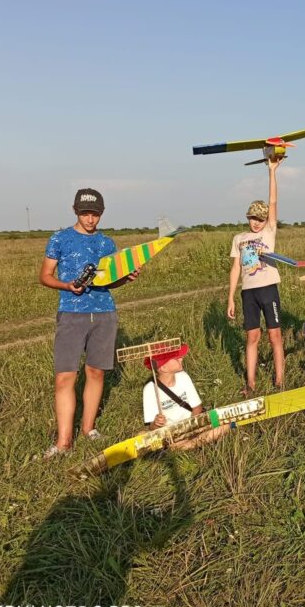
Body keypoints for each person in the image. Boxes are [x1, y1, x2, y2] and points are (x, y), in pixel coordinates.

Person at [38, 188, 138, 457]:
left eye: (95, 214)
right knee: (64, 377)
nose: (90, 219)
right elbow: (45, 276)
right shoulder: (60, 238)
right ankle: (63, 443)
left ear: (102, 213)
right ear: (75, 211)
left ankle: (89, 429)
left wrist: (126, 278)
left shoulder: (107, 243)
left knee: (96, 372)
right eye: (85, 213)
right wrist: (67, 286)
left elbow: (109, 281)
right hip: (71, 314)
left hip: (104, 314)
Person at [227, 156, 284, 394]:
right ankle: (250, 384)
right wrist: (230, 297)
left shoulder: (269, 232)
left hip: (268, 287)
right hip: (248, 292)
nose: (257, 223)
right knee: (252, 337)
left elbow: (272, 201)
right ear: (248, 217)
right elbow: (236, 268)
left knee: (274, 336)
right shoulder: (239, 239)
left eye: (261, 219)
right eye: (253, 218)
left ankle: (279, 381)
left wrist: (272, 171)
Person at [142, 343, 226, 450]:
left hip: (192, 424)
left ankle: (187, 445)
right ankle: (192, 443)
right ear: (163, 367)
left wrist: (191, 427)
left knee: (225, 423)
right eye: (176, 358)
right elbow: (152, 428)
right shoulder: (150, 389)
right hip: (171, 432)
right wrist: (156, 423)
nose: (181, 358)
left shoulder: (184, 377)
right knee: (146, 437)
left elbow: (197, 407)